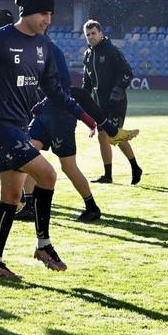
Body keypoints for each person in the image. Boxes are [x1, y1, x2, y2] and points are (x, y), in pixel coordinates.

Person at [0, 0, 99, 279]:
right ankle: (44, 245)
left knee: (11, 197)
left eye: (51, 13)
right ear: (27, 10)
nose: (48, 19)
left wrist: (84, 116)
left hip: (20, 128)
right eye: (43, 12)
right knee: (48, 174)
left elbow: (54, 90)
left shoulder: (43, 46)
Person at [22, 39, 106, 222]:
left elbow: (62, 90)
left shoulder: (52, 51)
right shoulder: (28, 49)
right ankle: (28, 206)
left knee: (68, 167)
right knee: (27, 155)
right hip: (44, 116)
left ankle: (92, 207)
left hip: (61, 117)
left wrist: (39, 105)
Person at [82, 20, 141, 185]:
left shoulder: (112, 50)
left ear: (100, 33)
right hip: (98, 103)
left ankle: (135, 167)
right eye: (88, 34)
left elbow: (127, 74)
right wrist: (83, 100)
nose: (91, 37)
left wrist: (117, 93)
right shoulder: (87, 55)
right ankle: (108, 175)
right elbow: (86, 82)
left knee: (115, 136)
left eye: (93, 33)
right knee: (103, 137)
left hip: (116, 102)